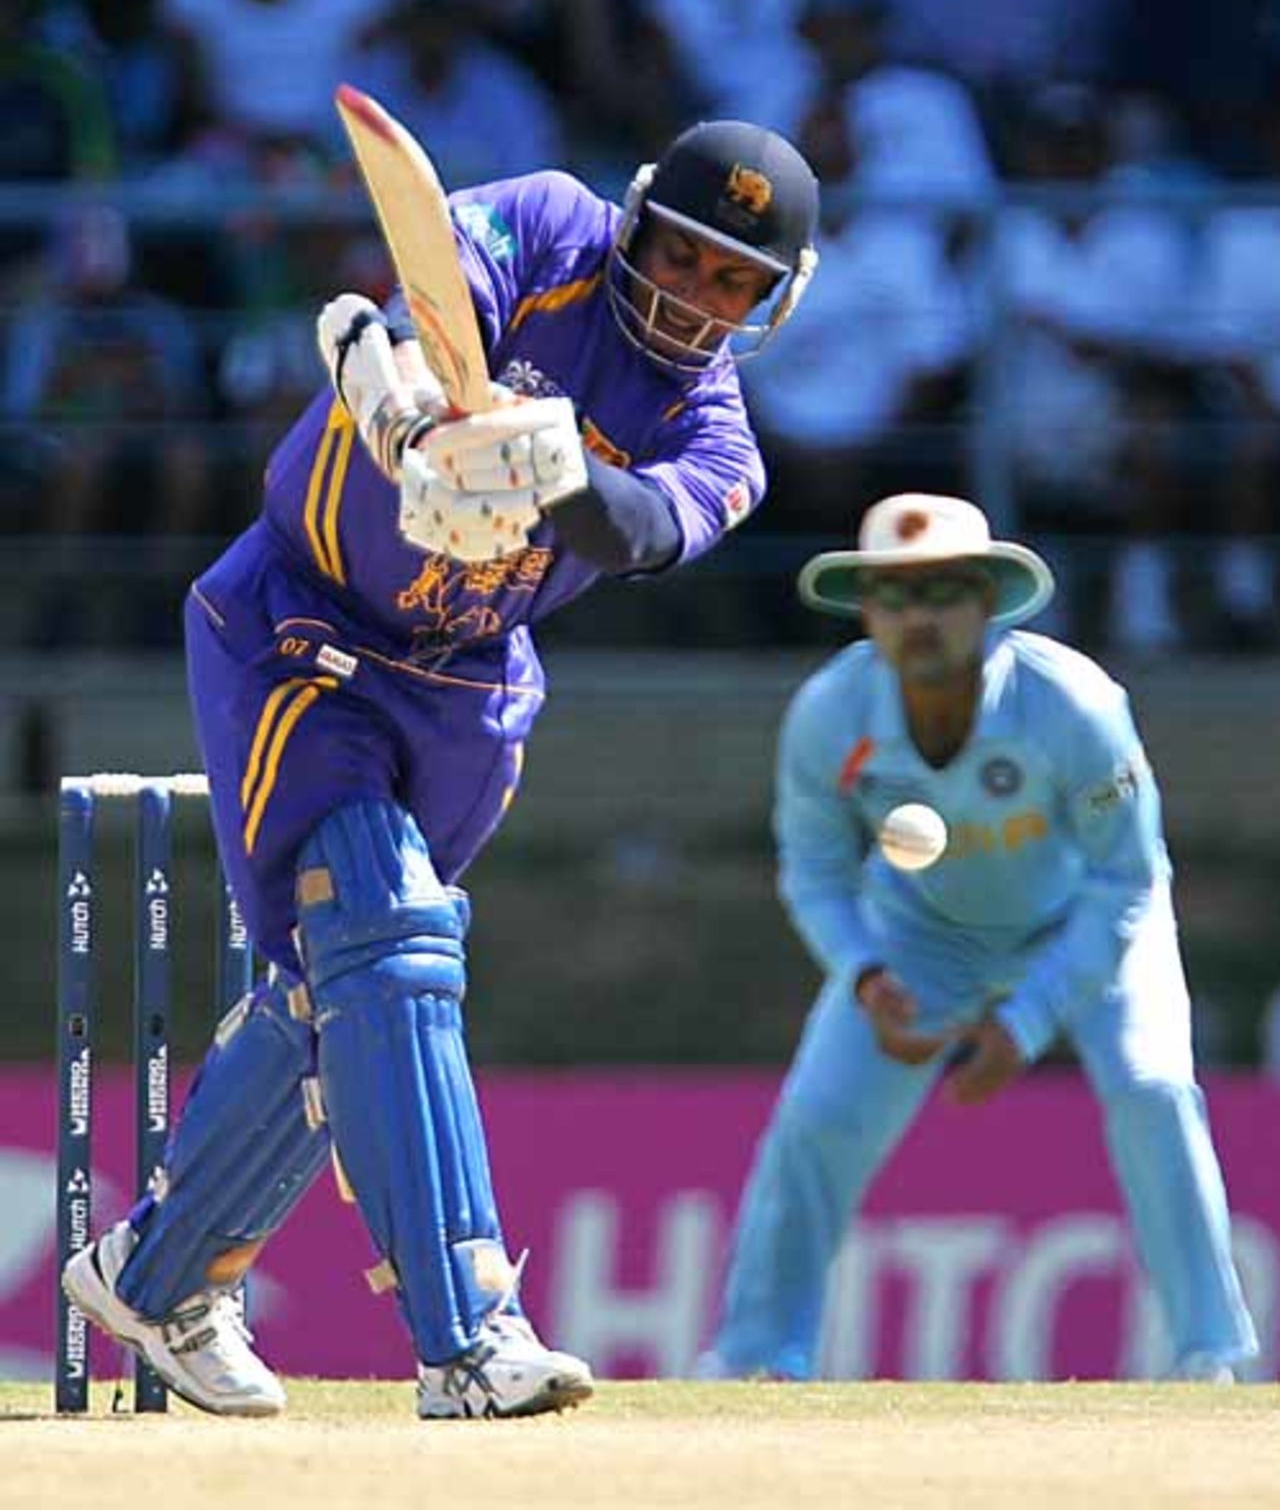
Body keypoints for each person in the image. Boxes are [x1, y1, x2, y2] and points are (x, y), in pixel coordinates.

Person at [62, 115, 820, 1418]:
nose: (698, 298)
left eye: (735, 283)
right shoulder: (545, 225)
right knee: (388, 935)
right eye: (684, 258)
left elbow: (643, 530)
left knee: (338, 990)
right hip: (302, 628)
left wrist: (550, 466)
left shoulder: (720, 432)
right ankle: (467, 1332)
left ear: (771, 301)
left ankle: (157, 1270)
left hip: (469, 689)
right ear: (635, 225)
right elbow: (414, 307)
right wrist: (404, 411)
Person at [695, 492, 1259, 1382]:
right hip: (922, 934)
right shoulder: (830, 715)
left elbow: (1128, 878)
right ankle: (757, 1357)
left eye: (944, 592)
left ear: (988, 601)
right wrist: (866, 971)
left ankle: (1211, 1352)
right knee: (815, 1121)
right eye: (894, 595)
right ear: (866, 608)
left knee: (1153, 1089)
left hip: (1086, 922)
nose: (919, 617)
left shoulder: (1072, 702)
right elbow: (816, 873)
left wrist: (1028, 1020)